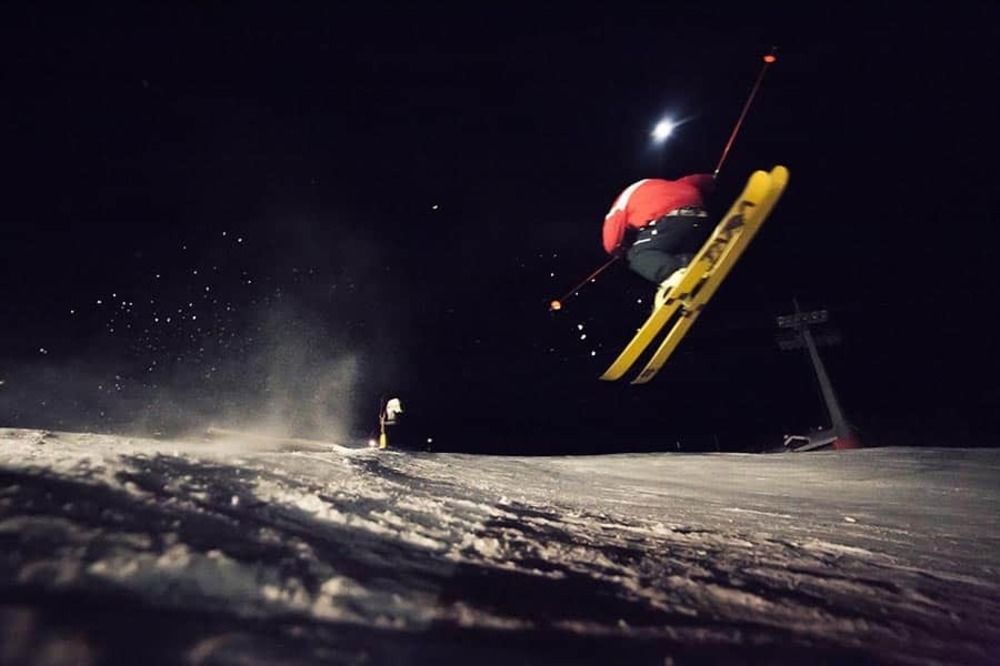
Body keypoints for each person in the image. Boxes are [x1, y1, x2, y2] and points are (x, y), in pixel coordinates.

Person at [602, 174, 715, 308]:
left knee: (638, 254)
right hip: (699, 216)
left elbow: (611, 242)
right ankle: (692, 265)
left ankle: (675, 277)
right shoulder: (663, 184)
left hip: (670, 218)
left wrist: (621, 252)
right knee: (672, 250)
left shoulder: (620, 204)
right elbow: (700, 180)